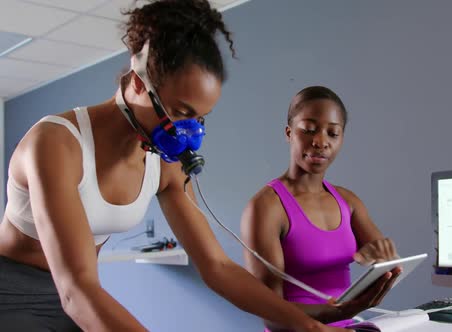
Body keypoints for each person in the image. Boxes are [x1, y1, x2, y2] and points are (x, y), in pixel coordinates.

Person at [0, 1, 352, 331]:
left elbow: (218, 268)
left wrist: (308, 325)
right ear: (139, 84)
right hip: (14, 292)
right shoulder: (55, 144)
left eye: (200, 118)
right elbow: (75, 290)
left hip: (77, 293)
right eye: (181, 113)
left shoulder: (164, 164)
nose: (190, 133)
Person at [241, 86, 401, 331]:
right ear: (289, 133)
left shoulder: (348, 201)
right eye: (309, 130)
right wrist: (343, 310)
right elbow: (271, 316)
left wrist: (385, 261)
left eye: (332, 133)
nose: (321, 142)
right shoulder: (265, 207)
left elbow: (386, 262)